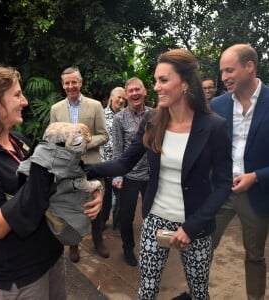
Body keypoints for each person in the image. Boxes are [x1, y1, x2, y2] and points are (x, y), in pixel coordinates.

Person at [87, 49, 232, 299]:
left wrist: (192, 226)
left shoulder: (214, 126)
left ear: (185, 84)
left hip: (195, 224)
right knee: (147, 289)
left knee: (198, 292)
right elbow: (123, 163)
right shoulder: (153, 121)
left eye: (163, 80)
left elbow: (223, 184)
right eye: (156, 81)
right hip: (155, 219)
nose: (156, 87)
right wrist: (85, 169)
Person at [0, 64, 103, 299]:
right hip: (21, 273)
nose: (25, 102)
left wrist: (92, 188)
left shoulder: (18, 140)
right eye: (17, 95)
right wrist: (45, 160)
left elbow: (52, 183)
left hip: (51, 257)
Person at [210, 43, 269, 300]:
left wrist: (256, 177)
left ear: (249, 66)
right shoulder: (218, 104)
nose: (223, 78)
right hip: (220, 191)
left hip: (256, 194)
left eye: (229, 70)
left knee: (254, 256)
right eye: (222, 72)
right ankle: (197, 292)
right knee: (202, 246)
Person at [50, 66, 109, 263]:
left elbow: (104, 135)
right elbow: (53, 137)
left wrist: (84, 144)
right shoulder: (56, 109)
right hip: (68, 168)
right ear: (63, 85)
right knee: (72, 206)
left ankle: (98, 241)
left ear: (80, 83)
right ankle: (74, 244)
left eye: (74, 82)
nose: (70, 86)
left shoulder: (94, 106)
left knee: (95, 205)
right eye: (67, 83)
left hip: (91, 164)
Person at [111, 77, 151, 267]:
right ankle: (128, 248)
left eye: (138, 89)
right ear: (126, 96)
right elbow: (118, 149)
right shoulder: (119, 119)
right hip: (129, 174)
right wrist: (118, 175)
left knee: (151, 214)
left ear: (144, 92)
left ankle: (151, 247)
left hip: (151, 174)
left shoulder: (155, 115)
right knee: (126, 216)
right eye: (131, 91)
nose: (135, 93)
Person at [99, 87, 126, 229]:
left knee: (121, 195)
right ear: (111, 98)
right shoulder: (101, 115)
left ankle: (118, 222)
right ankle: (102, 222)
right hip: (105, 163)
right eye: (119, 97)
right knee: (105, 197)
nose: (121, 101)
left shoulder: (126, 115)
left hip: (121, 164)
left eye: (123, 98)